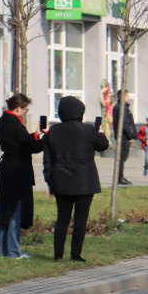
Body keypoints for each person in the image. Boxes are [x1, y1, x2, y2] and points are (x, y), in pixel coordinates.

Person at [42, 96, 110, 262]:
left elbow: (47, 161)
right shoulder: (88, 131)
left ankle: (58, 255)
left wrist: (50, 181)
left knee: (62, 219)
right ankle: (75, 255)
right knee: (81, 220)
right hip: (85, 182)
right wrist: (100, 133)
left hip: (60, 182)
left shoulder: (53, 132)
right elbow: (103, 146)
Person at [0, 93, 45, 259]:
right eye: (25, 109)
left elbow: (22, 142)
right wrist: (41, 137)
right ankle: (14, 252)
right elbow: (29, 145)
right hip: (18, 171)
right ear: (18, 108)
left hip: (9, 169)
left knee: (6, 212)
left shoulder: (4, 120)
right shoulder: (13, 123)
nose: (25, 112)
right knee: (14, 213)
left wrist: (35, 135)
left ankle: (4, 251)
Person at [112, 89, 137, 185]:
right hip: (123, 137)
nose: (128, 97)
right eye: (127, 95)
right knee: (121, 158)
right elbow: (125, 124)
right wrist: (130, 135)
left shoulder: (122, 108)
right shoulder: (121, 109)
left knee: (122, 158)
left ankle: (120, 177)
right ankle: (119, 178)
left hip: (123, 136)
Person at [99, 81, 114, 147]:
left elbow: (112, 103)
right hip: (106, 117)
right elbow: (103, 102)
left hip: (110, 116)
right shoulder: (105, 99)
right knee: (107, 131)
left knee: (110, 130)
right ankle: (107, 142)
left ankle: (110, 142)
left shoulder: (110, 97)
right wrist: (101, 92)